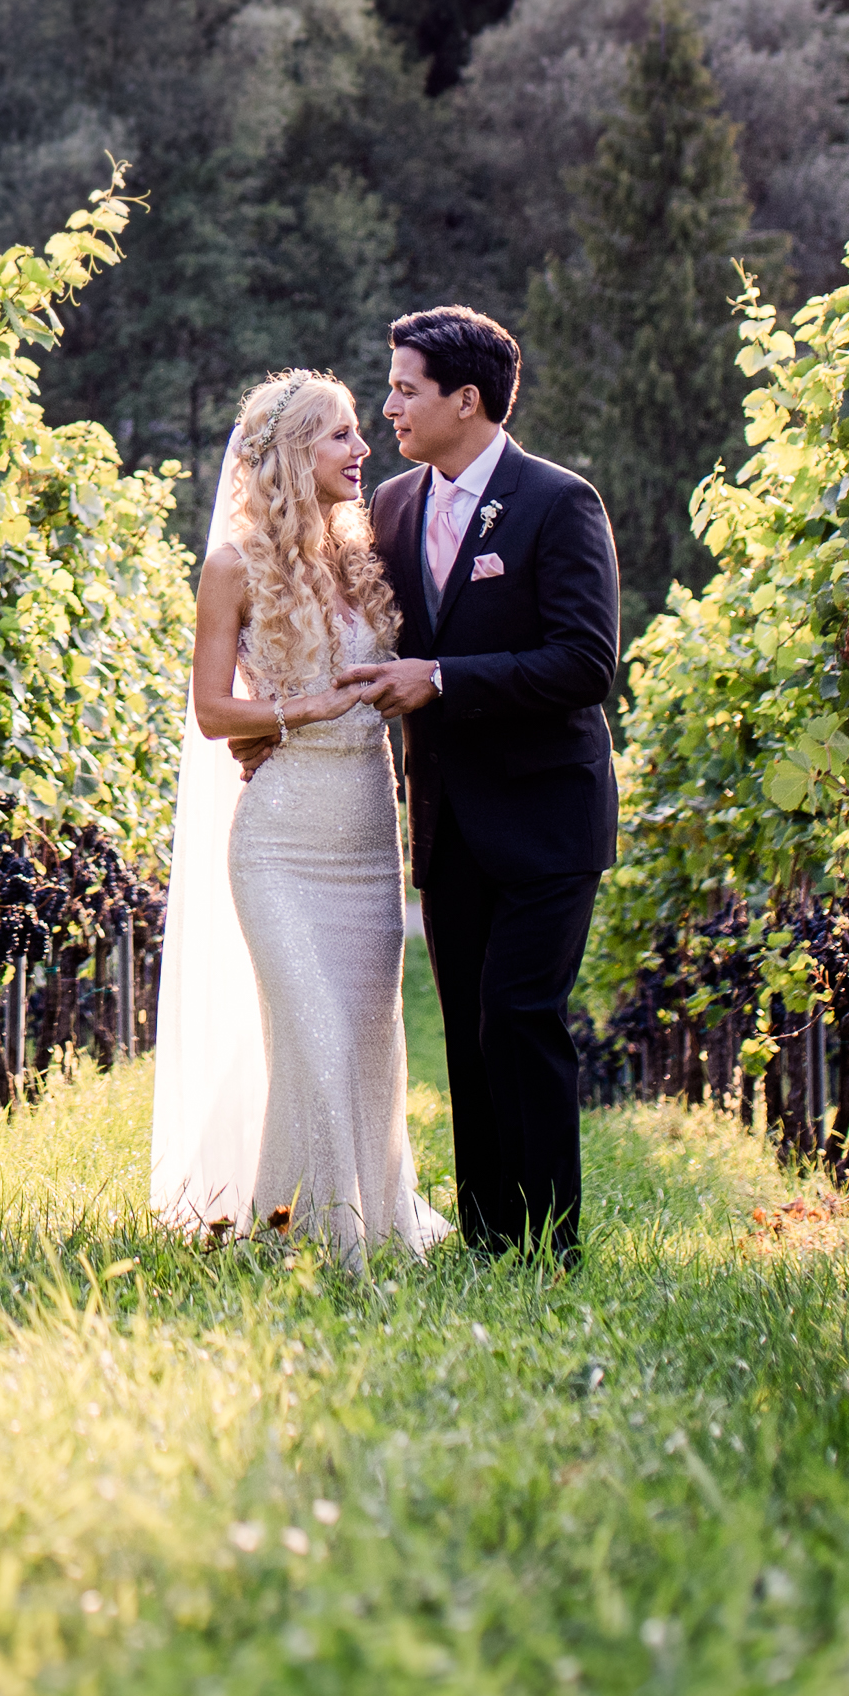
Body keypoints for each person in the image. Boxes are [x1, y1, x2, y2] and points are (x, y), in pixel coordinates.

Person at [147, 368, 445, 1263]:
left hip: (363, 833)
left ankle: (373, 1219)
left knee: (365, 1041)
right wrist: (296, 712)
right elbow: (210, 713)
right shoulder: (232, 564)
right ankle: (309, 1240)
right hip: (278, 839)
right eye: (340, 435)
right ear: (287, 453)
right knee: (310, 1037)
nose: (363, 449)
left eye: (359, 430)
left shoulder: (360, 556)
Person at [356, 303, 624, 1261]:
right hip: (448, 817)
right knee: (471, 1033)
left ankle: (552, 1248)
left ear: (466, 401)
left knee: (521, 1014)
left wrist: (444, 680)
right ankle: (488, 1241)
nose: (388, 405)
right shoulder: (389, 506)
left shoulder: (561, 502)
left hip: (549, 813)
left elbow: (586, 662)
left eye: (404, 387)